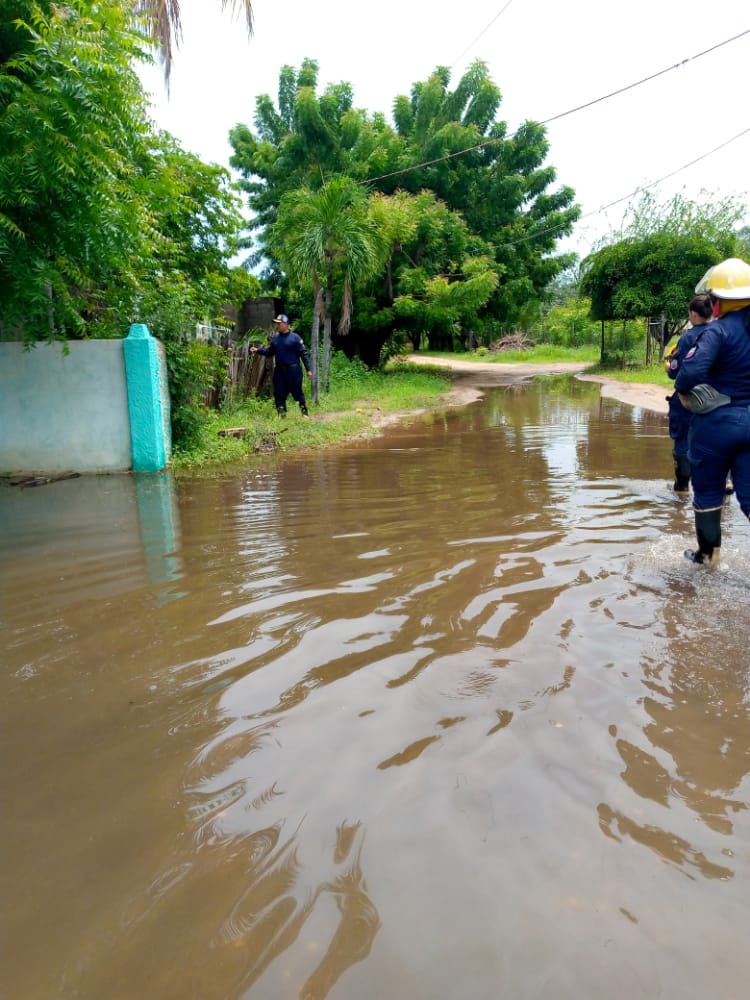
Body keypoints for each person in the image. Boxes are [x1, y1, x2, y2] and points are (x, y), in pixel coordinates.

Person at [674, 257, 750, 565]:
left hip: (717, 426)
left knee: (707, 493)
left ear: (718, 301)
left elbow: (692, 371)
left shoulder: (717, 332)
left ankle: (708, 557)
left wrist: (682, 391)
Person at [663, 293, 713, 494]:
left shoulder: (687, 339)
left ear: (693, 314)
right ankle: (724, 484)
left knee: (682, 439)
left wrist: (668, 367)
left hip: (690, 397)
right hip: (718, 397)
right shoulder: (722, 334)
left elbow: (675, 372)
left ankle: (682, 487)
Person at [250, 314, 312, 417]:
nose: (277, 325)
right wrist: (258, 350)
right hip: (280, 371)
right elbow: (269, 352)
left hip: (293, 371)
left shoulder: (295, 338)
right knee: (279, 393)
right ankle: (282, 415)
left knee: (297, 393)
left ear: (286, 324)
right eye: (276, 324)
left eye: (279, 323)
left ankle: (305, 413)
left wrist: (308, 369)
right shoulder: (275, 339)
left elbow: (303, 354)